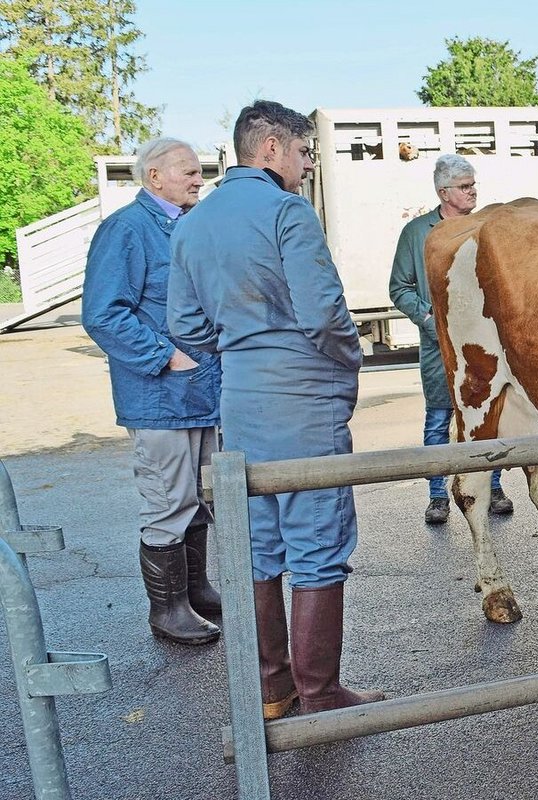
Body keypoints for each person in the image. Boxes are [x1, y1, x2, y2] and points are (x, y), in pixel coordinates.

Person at [168, 100, 383, 717]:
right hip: (303, 396)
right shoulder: (287, 212)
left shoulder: (192, 223)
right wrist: (347, 357)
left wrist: (241, 347)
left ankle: (274, 688)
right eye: (303, 151)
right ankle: (320, 692)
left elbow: (184, 324)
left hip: (240, 398)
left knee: (260, 542)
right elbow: (322, 315)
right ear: (270, 149)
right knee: (317, 537)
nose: (308, 164)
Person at [82, 137, 223, 647]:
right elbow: (103, 314)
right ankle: (168, 611)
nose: (197, 177)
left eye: (198, 170)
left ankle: (197, 591)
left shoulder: (186, 225)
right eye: (187, 171)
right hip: (160, 396)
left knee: (200, 496)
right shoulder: (126, 228)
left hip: (202, 393)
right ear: (153, 177)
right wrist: (165, 355)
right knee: (168, 500)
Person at [389, 154, 513, 525]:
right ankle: (438, 496)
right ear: (444, 192)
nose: (472, 190)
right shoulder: (417, 233)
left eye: (473, 184)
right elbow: (399, 287)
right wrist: (431, 320)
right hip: (440, 348)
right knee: (439, 420)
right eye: (464, 186)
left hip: (486, 344)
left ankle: (492, 488)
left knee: (490, 417)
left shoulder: (486, 226)